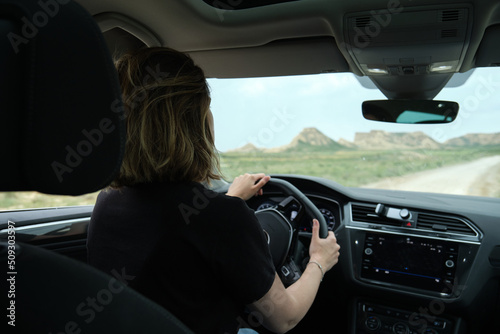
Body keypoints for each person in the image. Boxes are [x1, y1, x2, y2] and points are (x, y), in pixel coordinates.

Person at [87, 47, 340, 334]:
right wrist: (319, 261)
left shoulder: (106, 202)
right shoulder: (222, 218)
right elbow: (284, 318)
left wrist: (230, 200)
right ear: (195, 126)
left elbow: (179, 238)